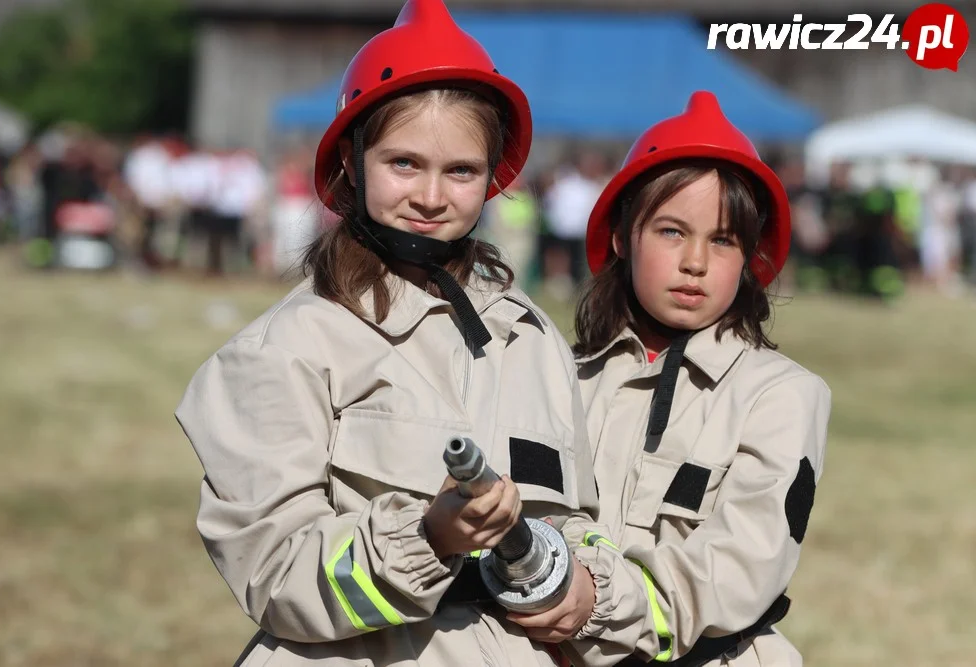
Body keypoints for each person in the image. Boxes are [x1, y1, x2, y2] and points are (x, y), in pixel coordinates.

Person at [175, 1, 617, 665]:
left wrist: (582, 582)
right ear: (351, 162)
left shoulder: (532, 338)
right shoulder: (287, 348)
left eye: (461, 170)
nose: (432, 196)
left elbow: (581, 518)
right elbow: (274, 577)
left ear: (494, 176)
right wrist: (429, 538)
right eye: (404, 163)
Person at [566, 92, 832, 666]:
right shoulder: (560, 377)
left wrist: (593, 605)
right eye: (670, 231)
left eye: (722, 239)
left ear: (751, 256)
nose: (695, 262)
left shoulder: (783, 394)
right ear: (620, 236)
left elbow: (740, 568)